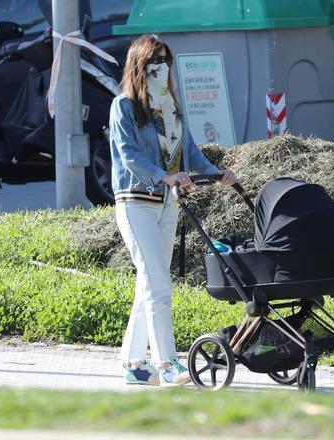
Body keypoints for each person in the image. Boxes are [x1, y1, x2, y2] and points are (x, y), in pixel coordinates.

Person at [109, 34, 236, 386]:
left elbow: (190, 151)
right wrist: (163, 176)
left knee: (148, 283)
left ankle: (134, 364)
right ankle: (167, 364)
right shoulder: (123, 106)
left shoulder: (173, 110)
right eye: (154, 62)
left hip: (167, 205)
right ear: (139, 66)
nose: (161, 69)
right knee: (160, 285)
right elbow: (128, 154)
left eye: (166, 62)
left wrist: (215, 173)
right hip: (136, 203)